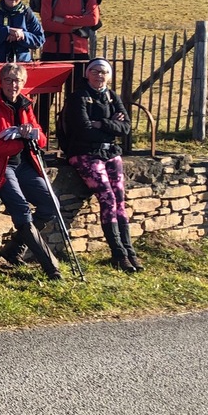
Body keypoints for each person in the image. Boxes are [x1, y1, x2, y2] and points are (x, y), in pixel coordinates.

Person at [0, 63, 62, 280]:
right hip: (1, 166)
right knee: (22, 210)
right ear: (0, 82)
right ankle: (51, 267)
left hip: (25, 165)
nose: (13, 85)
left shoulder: (25, 105)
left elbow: (41, 139)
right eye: (8, 80)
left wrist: (30, 133)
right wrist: (21, 142)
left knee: (51, 204)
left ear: (23, 83)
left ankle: (14, 249)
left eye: (17, 81)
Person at [61, 58, 142, 273]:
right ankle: (118, 254)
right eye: (95, 71)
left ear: (109, 76)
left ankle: (130, 251)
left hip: (110, 152)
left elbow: (126, 127)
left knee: (120, 199)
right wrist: (110, 125)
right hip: (84, 152)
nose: (99, 75)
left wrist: (101, 124)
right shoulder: (78, 97)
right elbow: (82, 129)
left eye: (104, 72)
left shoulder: (112, 96)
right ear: (87, 74)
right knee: (108, 197)